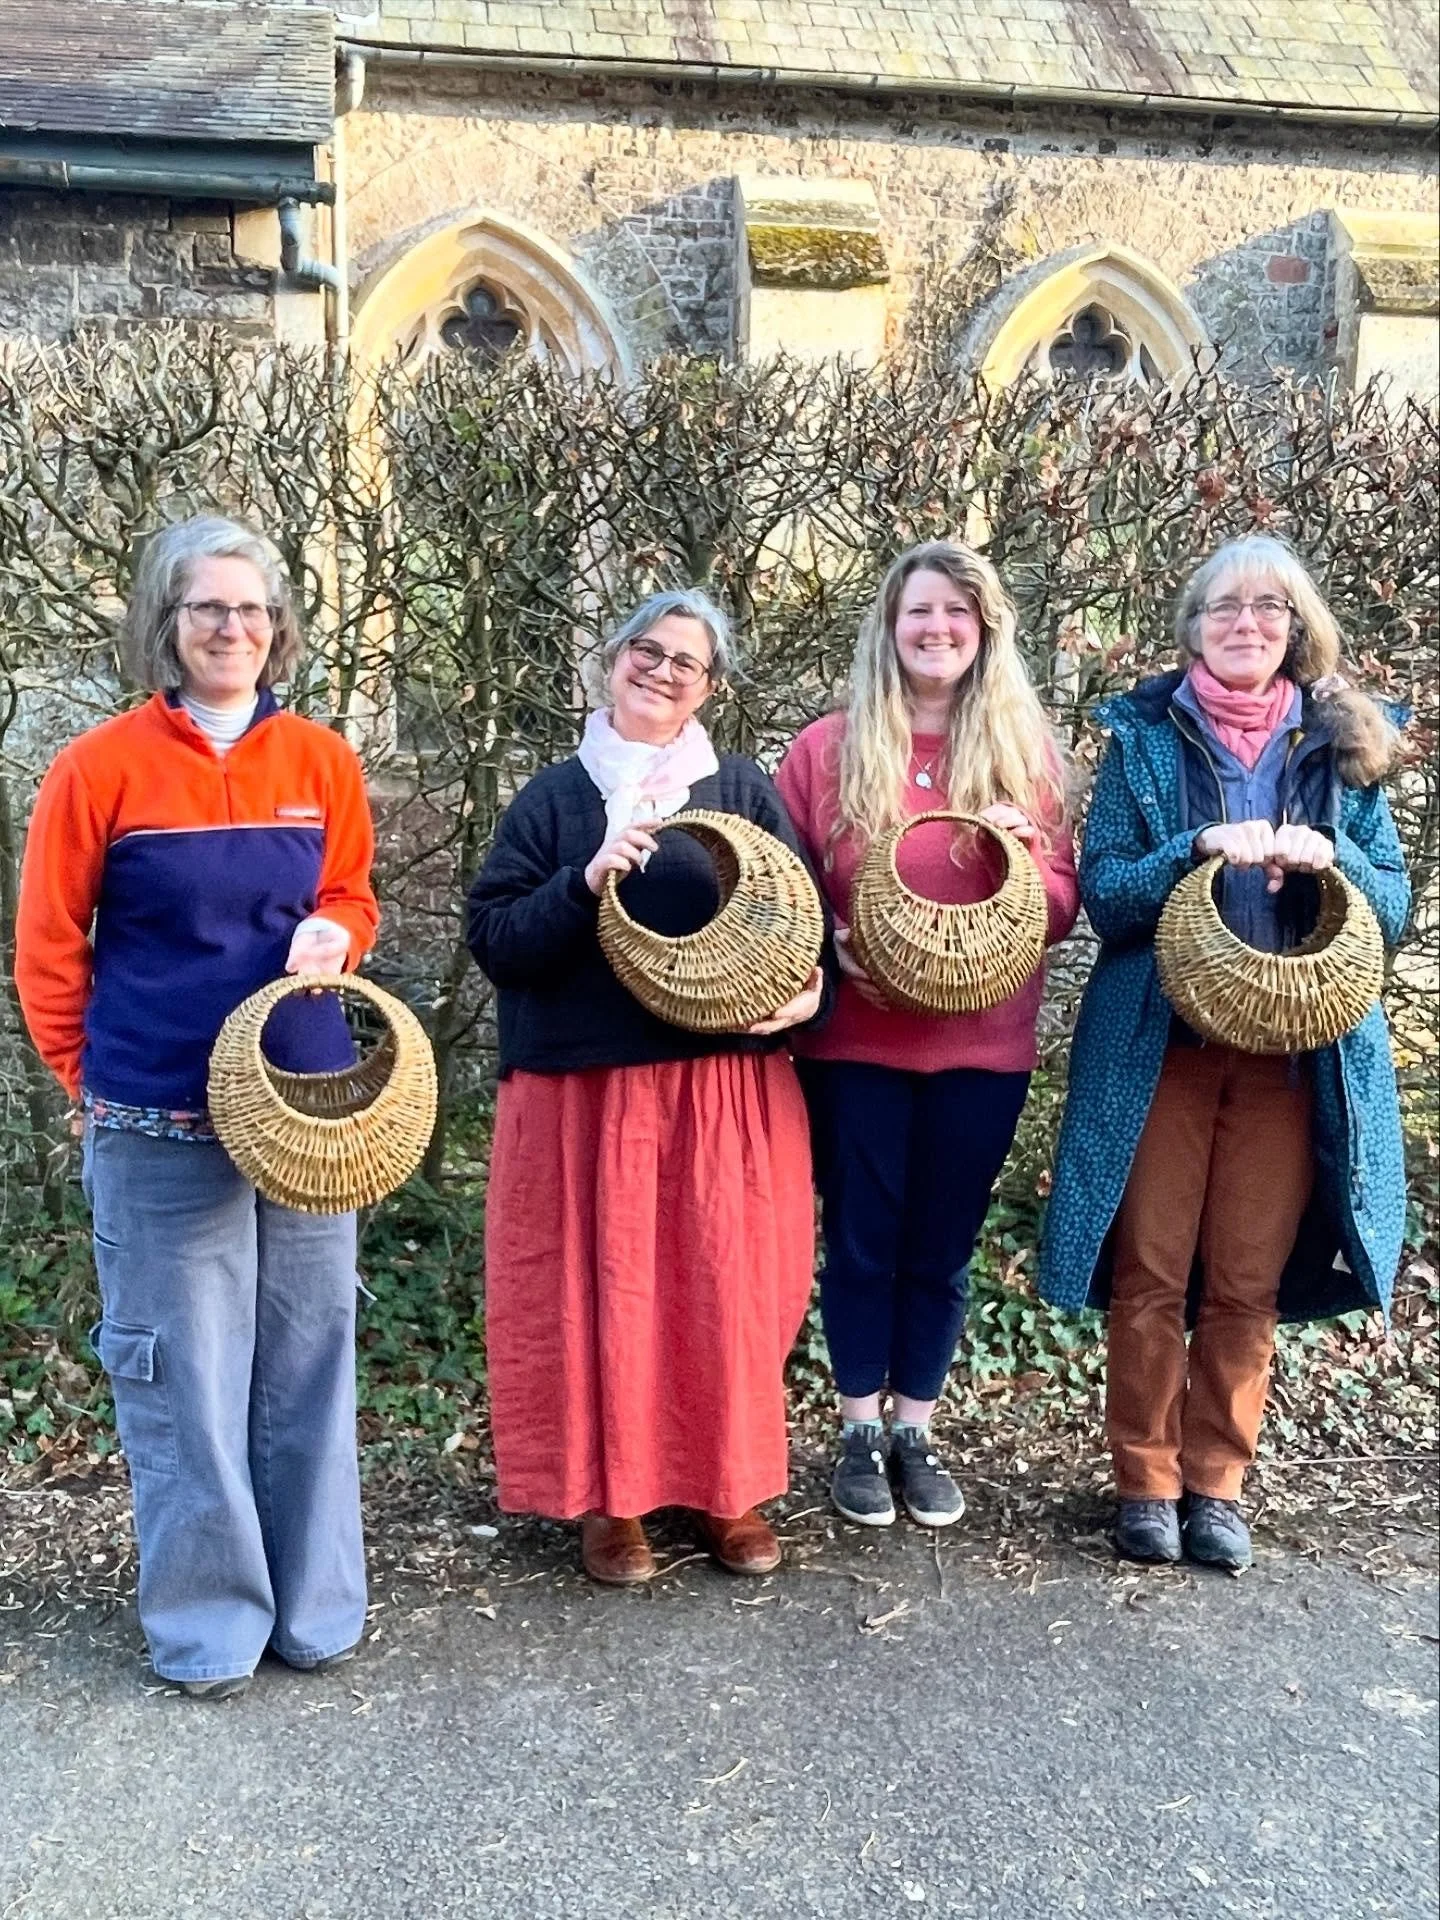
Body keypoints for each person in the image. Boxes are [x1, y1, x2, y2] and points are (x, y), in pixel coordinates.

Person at [15, 515, 379, 1698]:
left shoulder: (320, 761)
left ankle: (316, 1608)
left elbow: (351, 896)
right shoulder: (99, 767)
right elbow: (47, 948)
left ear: (278, 630)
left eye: (254, 609)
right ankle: (210, 1623)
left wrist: (341, 932)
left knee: (310, 1358)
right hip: (155, 1112)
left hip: (307, 1109)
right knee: (182, 1373)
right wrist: (87, 1081)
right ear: (164, 627)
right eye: (208, 607)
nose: (234, 627)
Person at [1040, 534, 1410, 1571]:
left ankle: (1218, 1484)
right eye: (1223, 606)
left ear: (1298, 630)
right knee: (1153, 1273)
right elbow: (1107, 892)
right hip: (1163, 1047)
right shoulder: (1143, 741)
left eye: (1269, 607)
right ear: (1192, 624)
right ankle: (1145, 1482)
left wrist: (1334, 862)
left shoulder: (1345, 748)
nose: (1246, 622)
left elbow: (1396, 908)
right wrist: (1191, 851)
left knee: (1247, 1282)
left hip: (1297, 1058)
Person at [466, 589, 826, 1586]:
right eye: (647, 651)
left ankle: (728, 1488)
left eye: (688, 663)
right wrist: (583, 881)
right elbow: (497, 942)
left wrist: (803, 1000)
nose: (663, 672)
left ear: (711, 687)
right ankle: (610, 1502)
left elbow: (804, 930)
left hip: (721, 1091)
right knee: (601, 1295)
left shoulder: (742, 790)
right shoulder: (555, 798)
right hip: (586, 1093)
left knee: (726, 1291)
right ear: (614, 659)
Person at [775, 541, 1078, 1529]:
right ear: (890, 628)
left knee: (941, 1247)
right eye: (919, 613)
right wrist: (828, 946)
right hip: (857, 1040)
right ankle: (858, 1428)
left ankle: (917, 1428)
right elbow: (779, 897)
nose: (937, 628)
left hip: (984, 1048)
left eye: (957, 612)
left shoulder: (1023, 754)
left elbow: (1066, 905)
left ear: (984, 627)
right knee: (862, 1239)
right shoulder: (825, 750)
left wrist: (1026, 863)